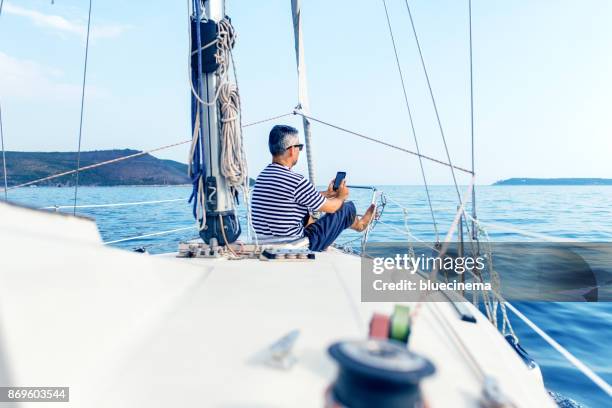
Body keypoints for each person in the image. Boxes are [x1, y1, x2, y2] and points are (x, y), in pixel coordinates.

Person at [251, 124, 375, 251]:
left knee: (303, 209)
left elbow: (289, 198)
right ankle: (361, 225)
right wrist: (341, 196)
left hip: (264, 242)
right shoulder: (296, 180)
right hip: (295, 244)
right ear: (292, 150)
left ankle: (322, 231)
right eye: (300, 147)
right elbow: (332, 208)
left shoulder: (262, 177)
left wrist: (327, 193)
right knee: (346, 208)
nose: (300, 151)